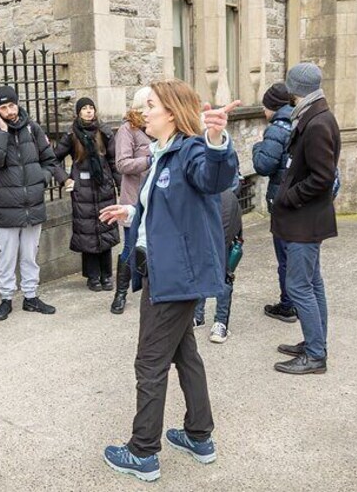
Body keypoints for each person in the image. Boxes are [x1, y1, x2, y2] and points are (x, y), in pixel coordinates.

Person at [99, 79, 240, 482]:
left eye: (153, 106)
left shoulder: (193, 149)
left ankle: (142, 452)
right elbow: (169, 209)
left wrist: (216, 138)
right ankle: (200, 435)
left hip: (175, 275)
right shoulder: (162, 152)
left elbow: (214, 177)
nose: (145, 112)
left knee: (150, 361)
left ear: (173, 113)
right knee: (185, 354)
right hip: (166, 270)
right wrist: (130, 214)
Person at [271, 63, 340, 375]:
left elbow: (322, 178)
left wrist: (288, 196)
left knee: (299, 286)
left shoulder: (316, 123)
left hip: (304, 220)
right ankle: (315, 343)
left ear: (295, 88)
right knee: (312, 283)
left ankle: (315, 355)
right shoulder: (316, 115)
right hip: (308, 219)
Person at [0, 85, 68, 321]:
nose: (9, 111)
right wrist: (1, 131)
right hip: (6, 207)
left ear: (17, 103)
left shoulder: (32, 128)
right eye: (3, 107)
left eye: (11, 105)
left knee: (30, 254)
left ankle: (31, 296)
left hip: (32, 204)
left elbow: (50, 160)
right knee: (6, 256)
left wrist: (42, 179)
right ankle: (6, 299)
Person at [54, 97, 120, 292]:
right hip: (82, 189)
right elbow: (53, 159)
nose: (89, 111)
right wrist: (65, 179)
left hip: (103, 187)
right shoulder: (71, 134)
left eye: (91, 108)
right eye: (85, 109)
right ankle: (92, 276)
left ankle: (107, 275)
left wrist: (119, 185)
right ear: (78, 112)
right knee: (88, 233)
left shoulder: (104, 131)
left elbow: (114, 160)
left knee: (105, 228)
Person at [252, 82, 297, 322]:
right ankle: (298, 301)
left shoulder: (277, 129)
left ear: (272, 106)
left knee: (286, 257)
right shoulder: (301, 121)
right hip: (300, 201)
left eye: (264, 106)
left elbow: (263, 165)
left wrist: (258, 147)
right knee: (298, 256)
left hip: (283, 202)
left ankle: (288, 304)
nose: (263, 112)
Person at [110, 87, 152, 314]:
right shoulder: (128, 129)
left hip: (157, 197)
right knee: (130, 247)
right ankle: (120, 294)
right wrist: (149, 160)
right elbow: (122, 164)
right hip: (134, 198)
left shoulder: (159, 128)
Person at [193, 162, 243, 343]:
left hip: (225, 201)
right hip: (203, 199)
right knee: (200, 264)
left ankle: (220, 322)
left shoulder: (221, 147)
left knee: (223, 264)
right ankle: (198, 315)